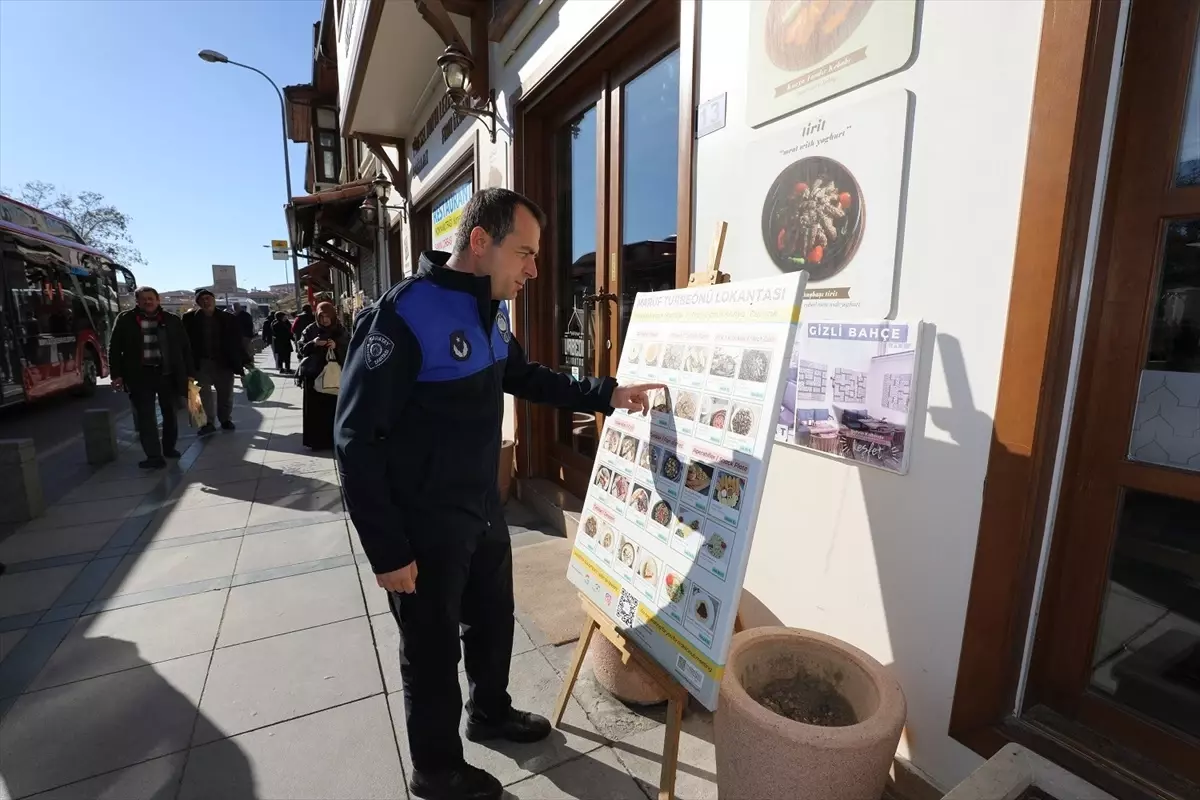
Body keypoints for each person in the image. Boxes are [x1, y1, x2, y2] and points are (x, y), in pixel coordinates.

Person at [335, 188, 661, 800]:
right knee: (431, 653)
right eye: (526, 254)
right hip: (422, 526)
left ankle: (490, 711)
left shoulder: (490, 309)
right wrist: (386, 550)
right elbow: (355, 440)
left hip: (482, 508)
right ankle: (435, 770)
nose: (535, 270)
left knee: (491, 622)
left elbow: (523, 375)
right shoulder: (405, 314)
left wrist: (605, 393)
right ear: (480, 242)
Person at [108, 286, 194, 469]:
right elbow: (114, 348)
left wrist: (189, 373)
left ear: (158, 300)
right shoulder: (125, 320)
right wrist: (116, 374)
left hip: (167, 374)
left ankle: (169, 448)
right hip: (140, 375)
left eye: (151, 298)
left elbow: (185, 347)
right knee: (145, 416)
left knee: (170, 413)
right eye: (143, 299)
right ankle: (154, 456)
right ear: (137, 301)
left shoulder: (172, 320)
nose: (147, 302)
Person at [182, 289, 251, 435]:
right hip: (199, 363)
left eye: (208, 298)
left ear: (213, 300)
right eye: (202, 299)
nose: (206, 301)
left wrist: (245, 360)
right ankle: (205, 424)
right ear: (197, 302)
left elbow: (236, 341)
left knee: (225, 394)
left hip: (223, 362)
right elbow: (183, 343)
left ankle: (225, 419)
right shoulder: (189, 318)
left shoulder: (228, 318)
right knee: (198, 395)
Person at [299, 302, 348, 450]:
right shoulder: (310, 330)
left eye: (327, 317)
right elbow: (301, 349)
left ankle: (335, 439)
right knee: (315, 412)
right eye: (321, 317)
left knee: (334, 410)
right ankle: (317, 441)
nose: (325, 320)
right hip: (314, 377)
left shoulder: (340, 329)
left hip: (335, 377)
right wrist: (313, 343)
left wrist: (337, 345)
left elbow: (351, 347)